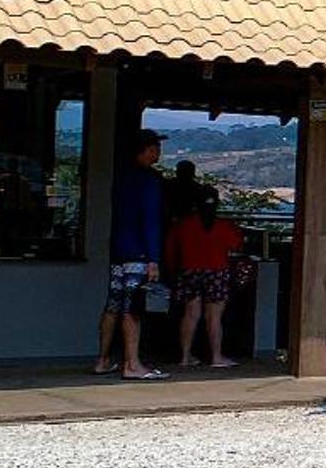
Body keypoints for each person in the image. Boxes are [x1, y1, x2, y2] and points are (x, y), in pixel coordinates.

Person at [97, 128, 168, 379]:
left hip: (119, 249)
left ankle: (103, 360)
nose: (159, 152)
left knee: (113, 305)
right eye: (156, 148)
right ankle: (132, 364)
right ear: (148, 149)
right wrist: (154, 258)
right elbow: (151, 220)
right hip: (138, 251)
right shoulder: (149, 180)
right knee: (133, 308)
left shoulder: (121, 176)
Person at [164, 187, 248, 368]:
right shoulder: (224, 226)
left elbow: (171, 251)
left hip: (189, 271)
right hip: (217, 271)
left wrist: (172, 272)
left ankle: (185, 356)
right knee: (214, 317)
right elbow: (236, 245)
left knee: (190, 315)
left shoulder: (183, 225)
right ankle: (216, 357)